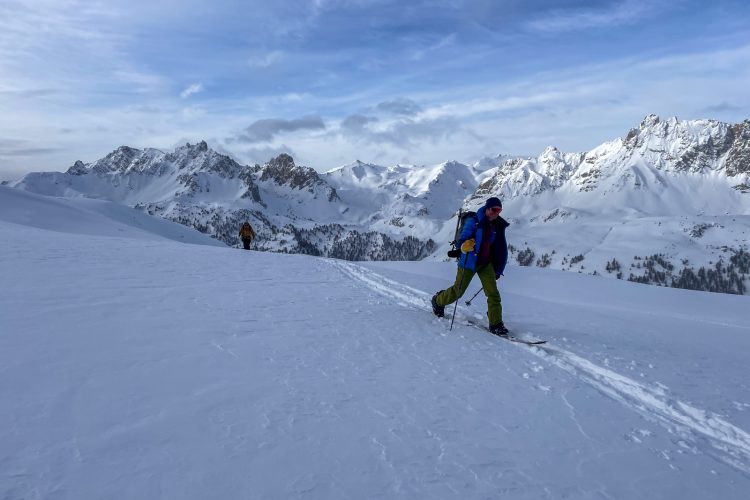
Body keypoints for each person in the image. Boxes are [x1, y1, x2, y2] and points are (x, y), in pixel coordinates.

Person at [431, 197, 510, 335]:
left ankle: (496, 324)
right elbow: (462, 237)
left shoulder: (496, 226)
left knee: (493, 294)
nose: (496, 213)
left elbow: (499, 248)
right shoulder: (473, 222)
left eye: (499, 210)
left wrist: (498, 268)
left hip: (486, 264)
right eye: (494, 209)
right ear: (487, 208)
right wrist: (463, 245)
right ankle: (438, 301)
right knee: (458, 291)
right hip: (468, 262)